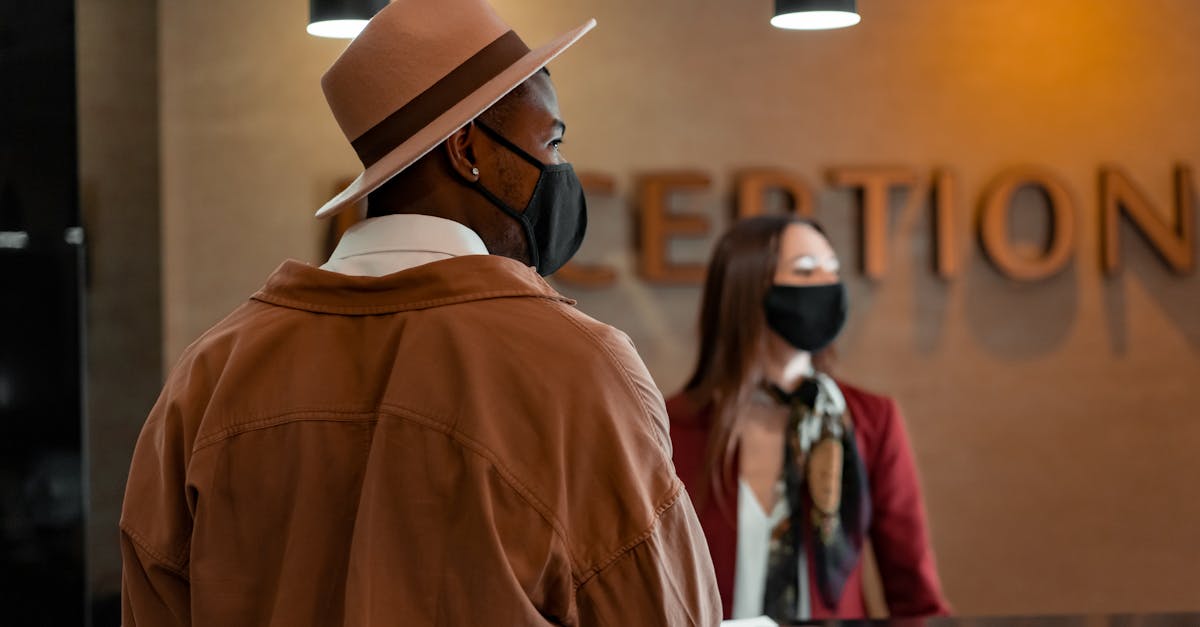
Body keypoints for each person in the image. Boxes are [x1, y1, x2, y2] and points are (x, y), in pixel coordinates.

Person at [119, 0, 721, 624]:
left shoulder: (211, 375)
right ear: (467, 150)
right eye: (552, 141)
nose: (561, 170)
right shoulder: (578, 369)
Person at [667, 215, 949, 622]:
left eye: (832, 270)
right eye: (804, 270)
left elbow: (916, 596)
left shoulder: (870, 420)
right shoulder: (669, 428)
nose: (828, 284)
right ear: (746, 287)